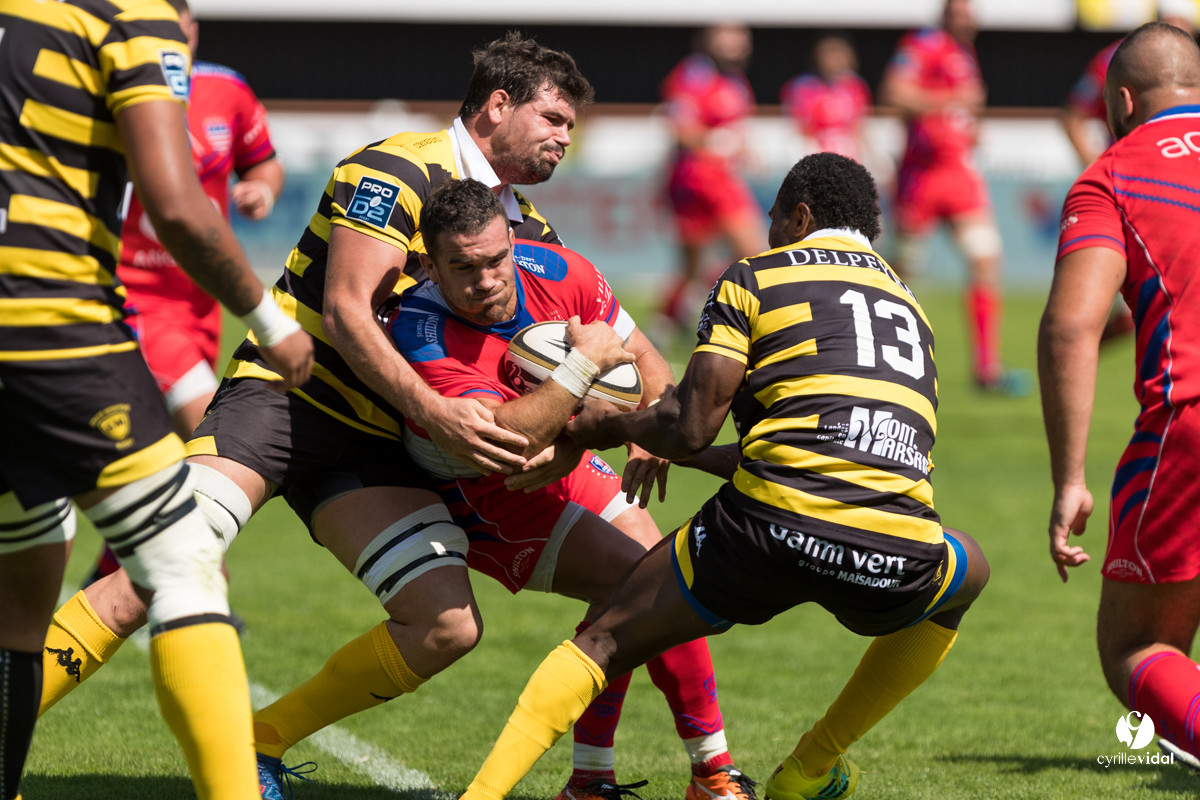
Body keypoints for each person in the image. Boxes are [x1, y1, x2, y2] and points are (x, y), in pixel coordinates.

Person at [31, 32, 731, 800]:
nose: (565, 138)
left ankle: (261, 742)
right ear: (498, 106)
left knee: (447, 627)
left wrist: (617, 424)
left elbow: (603, 342)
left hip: (386, 446)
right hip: (289, 401)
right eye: (554, 118)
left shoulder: (524, 227)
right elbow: (346, 310)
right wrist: (437, 410)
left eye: (571, 125)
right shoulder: (395, 169)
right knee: (157, 571)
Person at [458, 152, 990, 800]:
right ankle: (809, 769)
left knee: (605, 639)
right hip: (894, 546)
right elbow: (820, 447)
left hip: (765, 532)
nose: (767, 234)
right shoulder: (913, 308)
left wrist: (603, 428)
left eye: (774, 220)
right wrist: (675, 447)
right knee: (970, 572)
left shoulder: (754, 278)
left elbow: (690, 426)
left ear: (800, 217)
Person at [0, 0, 313, 797]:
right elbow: (176, 205)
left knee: (23, 585)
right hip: (53, 322)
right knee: (183, 565)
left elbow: (256, 166)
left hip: (146, 315)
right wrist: (272, 324)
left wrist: (258, 189)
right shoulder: (125, 16)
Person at [385, 178, 752, 800]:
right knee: (640, 586)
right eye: (463, 268)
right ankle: (660, 776)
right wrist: (584, 368)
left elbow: (644, 357)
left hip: (565, 451)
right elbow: (512, 440)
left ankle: (675, 775)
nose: (486, 281)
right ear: (431, 267)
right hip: (485, 488)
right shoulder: (420, 329)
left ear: (511, 241)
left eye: (495, 260)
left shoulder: (558, 270)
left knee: (662, 579)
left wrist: (644, 427)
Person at [1040, 20, 1200, 771]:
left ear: (1124, 101)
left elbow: (1072, 327)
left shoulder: (1112, 175)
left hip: (1188, 422)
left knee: (1139, 643)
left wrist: (1069, 478)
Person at [86, 0, 286, 588]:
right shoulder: (105, 87)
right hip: (130, 296)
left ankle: (105, 584)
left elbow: (264, 165)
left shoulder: (228, 91)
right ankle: (202, 595)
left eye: (177, 29)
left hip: (201, 304)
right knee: (211, 438)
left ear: (192, 30)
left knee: (166, 460)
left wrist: (261, 191)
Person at [879, 0, 1026, 394]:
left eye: (969, 12)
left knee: (985, 260)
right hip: (921, 176)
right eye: (958, 12)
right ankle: (878, 356)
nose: (965, 19)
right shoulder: (924, 44)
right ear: (944, 14)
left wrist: (968, 128)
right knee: (902, 271)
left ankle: (987, 368)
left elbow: (963, 107)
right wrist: (951, 100)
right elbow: (894, 92)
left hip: (958, 175)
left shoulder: (965, 52)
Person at [1059, 2, 1196, 343]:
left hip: (1180, 191)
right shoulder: (1115, 59)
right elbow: (1073, 115)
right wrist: (1096, 165)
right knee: (1113, 315)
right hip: (1131, 193)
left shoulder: (1192, 66)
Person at [657, 22, 766, 344]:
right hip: (696, 178)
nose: (737, 43)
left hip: (720, 178)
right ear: (709, 41)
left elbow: (736, 129)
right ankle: (679, 318)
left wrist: (746, 151)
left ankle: (667, 322)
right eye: (728, 36)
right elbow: (680, 129)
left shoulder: (736, 81)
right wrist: (715, 141)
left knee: (740, 255)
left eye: (741, 36)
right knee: (751, 254)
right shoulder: (692, 76)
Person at [780, 35, 872, 163]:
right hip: (815, 149)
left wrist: (870, 154)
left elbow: (859, 127)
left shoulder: (855, 86)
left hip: (847, 151)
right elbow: (799, 127)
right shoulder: (804, 86)